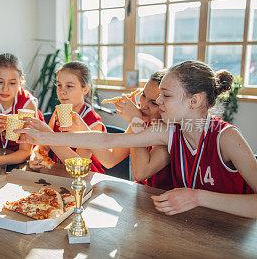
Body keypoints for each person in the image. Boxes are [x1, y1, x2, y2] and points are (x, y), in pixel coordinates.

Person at [17, 60, 257, 218]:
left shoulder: (227, 137)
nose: (157, 103)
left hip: (236, 232)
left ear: (193, 101)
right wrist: (43, 135)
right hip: (195, 225)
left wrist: (197, 197)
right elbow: (105, 142)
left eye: (165, 96)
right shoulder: (169, 132)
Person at [67, 70, 172, 189]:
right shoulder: (144, 122)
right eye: (143, 95)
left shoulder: (168, 131)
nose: (143, 105)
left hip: (163, 201)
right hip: (142, 194)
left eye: (154, 103)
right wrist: (83, 128)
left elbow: (140, 173)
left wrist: (136, 120)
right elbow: (109, 160)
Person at [28, 61, 106, 173]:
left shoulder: (94, 122)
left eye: (69, 86)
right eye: (59, 85)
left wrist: (50, 136)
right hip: (61, 175)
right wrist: (35, 156)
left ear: (85, 89)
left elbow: (78, 166)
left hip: (87, 180)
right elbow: (43, 146)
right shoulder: (57, 113)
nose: (62, 91)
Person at [0, 53, 43, 170]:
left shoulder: (28, 103)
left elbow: (25, 151)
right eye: (0, 82)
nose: (5, 89)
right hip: (2, 150)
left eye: (12, 83)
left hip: (31, 156)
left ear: (20, 82)